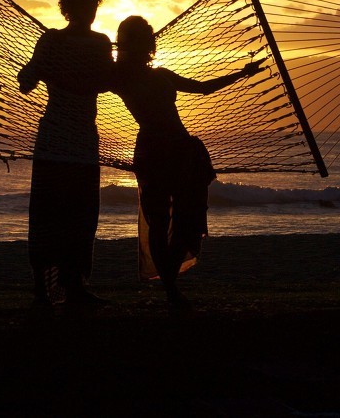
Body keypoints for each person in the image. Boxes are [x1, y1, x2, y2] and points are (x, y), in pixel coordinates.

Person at [112, 15, 262, 309]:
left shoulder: (159, 73)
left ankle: (170, 285)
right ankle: (170, 288)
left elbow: (203, 88)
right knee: (160, 220)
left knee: (183, 217)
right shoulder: (119, 77)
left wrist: (242, 74)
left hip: (180, 150)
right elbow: (87, 74)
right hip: (156, 151)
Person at [18, 0, 113, 307]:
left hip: (84, 142)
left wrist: (59, 76)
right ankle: (42, 289)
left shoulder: (101, 43)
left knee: (82, 217)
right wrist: (41, 71)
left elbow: (107, 81)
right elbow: (26, 81)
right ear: (68, 7)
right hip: (55, 142)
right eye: (83, 4)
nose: (89, 10)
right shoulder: (52, 41)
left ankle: (74, 286)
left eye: (93, 4)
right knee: (47, 215)